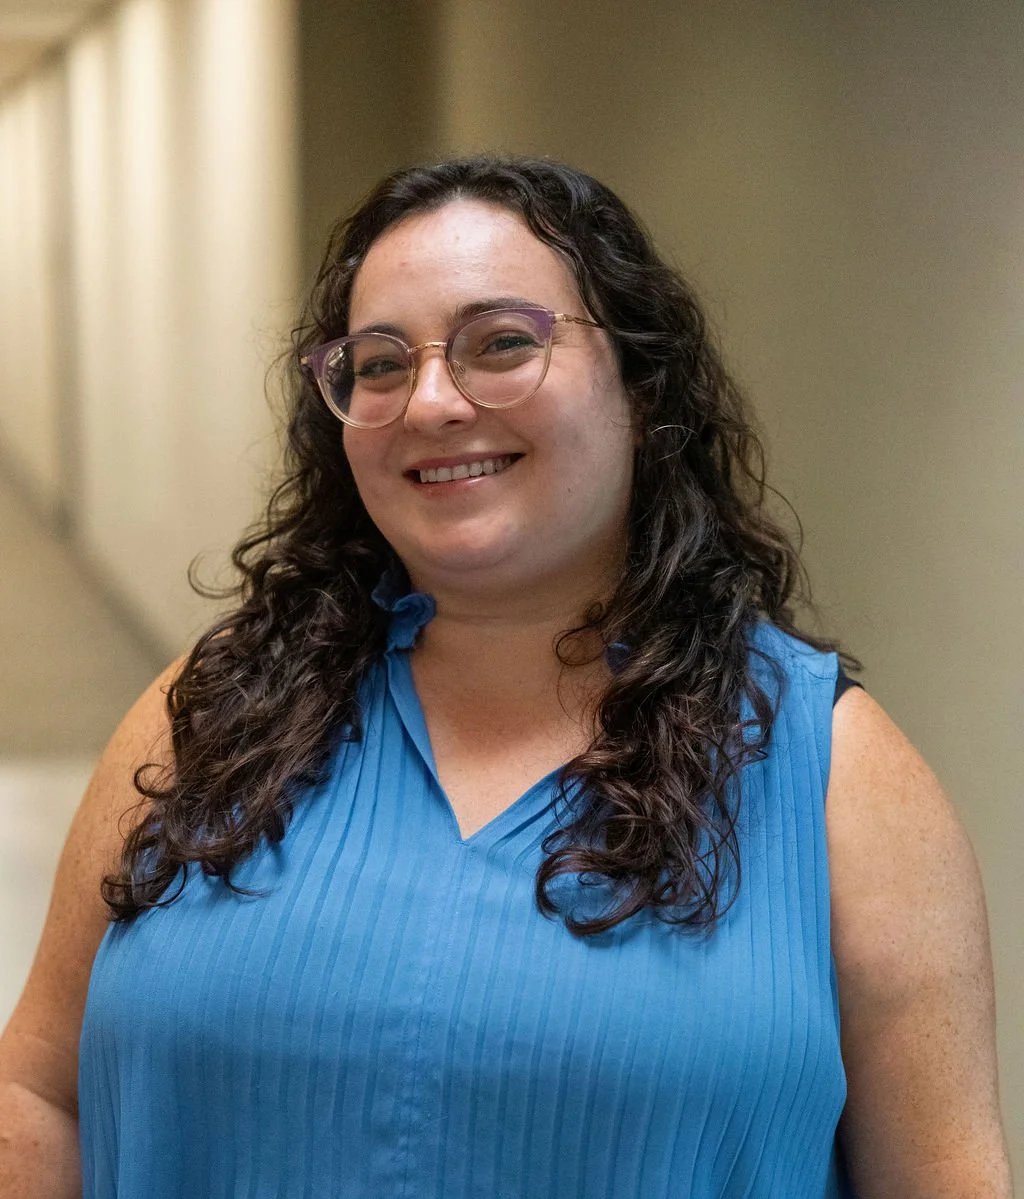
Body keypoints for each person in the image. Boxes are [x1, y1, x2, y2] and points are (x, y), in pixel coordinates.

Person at [0, 156, 1011, 1198]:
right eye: (379, 363)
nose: (431, 402)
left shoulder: (832, 773)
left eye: (502, 344)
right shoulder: (207, 715)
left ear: (640, 388)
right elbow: (39, 1089)